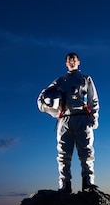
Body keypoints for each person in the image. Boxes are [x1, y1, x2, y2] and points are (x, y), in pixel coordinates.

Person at [37, 52, 99, 193]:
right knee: (63, 154)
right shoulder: (60, 81)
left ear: (79, 62)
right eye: (69, 60)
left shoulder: (86, 79)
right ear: (66, 63)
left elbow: (93, 100)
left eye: (74, 59)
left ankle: (88, 182)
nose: (72, 62)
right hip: (65, 118)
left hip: (82, 117)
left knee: (86, 152)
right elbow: (44, 95)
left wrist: (93, 118)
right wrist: (45, 106)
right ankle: (65, 184)